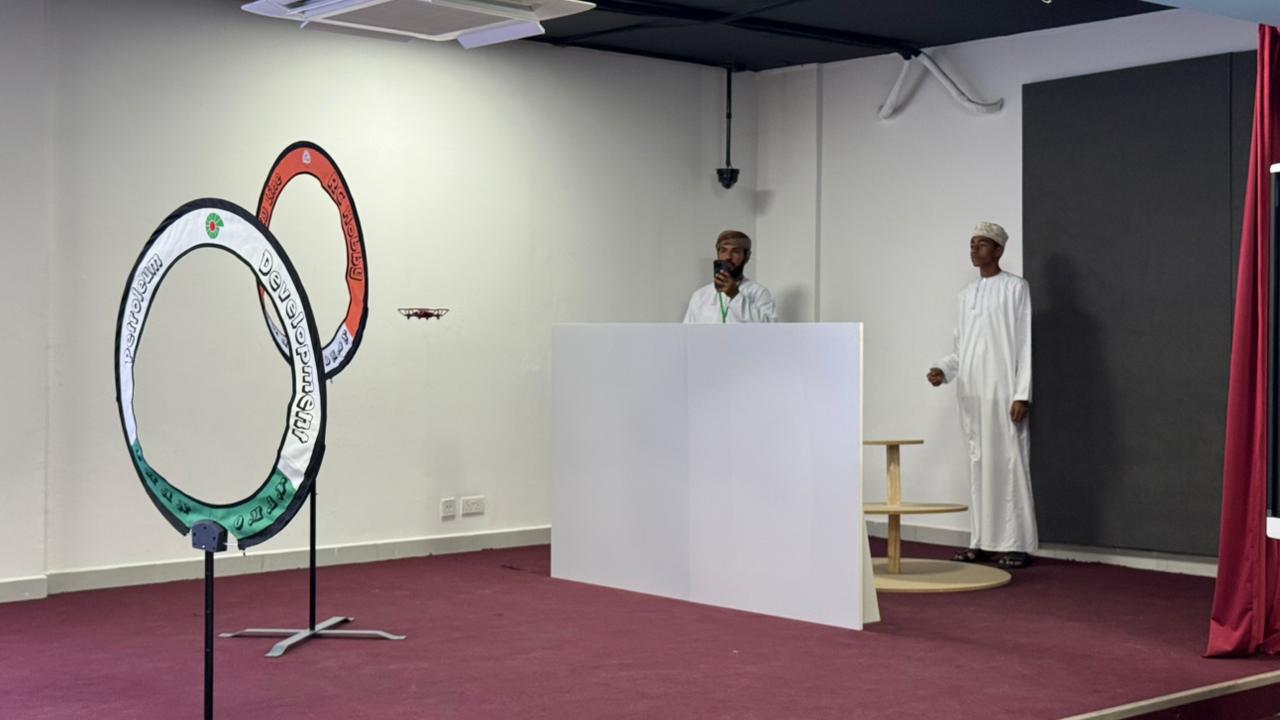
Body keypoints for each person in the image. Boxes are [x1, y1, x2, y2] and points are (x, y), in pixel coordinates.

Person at [926, 221, 1037, 569]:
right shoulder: (966, 295)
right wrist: (943, 370)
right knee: (979, 464)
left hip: (1004, 391)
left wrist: (1021, 393)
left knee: (1010, 462)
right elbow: (961, 348)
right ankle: (981, 541)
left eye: (982, 244)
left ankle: (1016, 543)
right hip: (972, 393)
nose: (974, 249)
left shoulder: (1016, 288)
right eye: (972, 244)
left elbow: (1024, 344)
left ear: (999, 250)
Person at [684, 230, 776, 323]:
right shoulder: (700, 296)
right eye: (723, 250)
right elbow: (687, 331)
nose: (728, 256)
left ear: (746, 256)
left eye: (735, 251)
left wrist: (735, 295)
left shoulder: (759, 293)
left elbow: (771, 328)